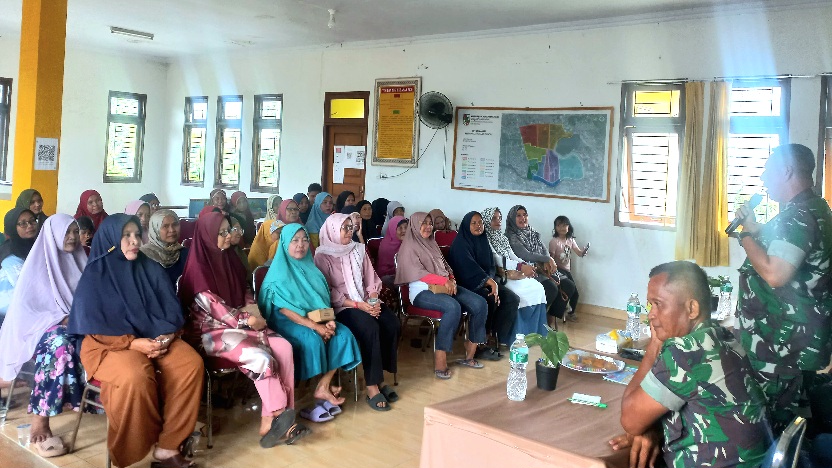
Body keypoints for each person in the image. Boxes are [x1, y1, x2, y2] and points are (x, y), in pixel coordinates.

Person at [67, 214, 203, 468]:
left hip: (154, 338)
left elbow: (170, 310)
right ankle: (133, 449)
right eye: (126, 236)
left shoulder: (149, 267)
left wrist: (167, 336)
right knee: (135, 375)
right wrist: (132, 344)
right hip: (107, 345)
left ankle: (168, 446)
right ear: (111, 240)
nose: (135, 241)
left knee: (190, 364)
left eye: (137, 235)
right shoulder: (95, 275)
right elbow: (95, 329)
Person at [613, 261, 768, 468]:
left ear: (692, 308)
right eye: (650, 305)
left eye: (658, 304)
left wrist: (655, 344)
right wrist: (654, 429)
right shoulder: (722, 337)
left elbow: (631, 420)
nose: (651, 314)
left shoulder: (686, 351)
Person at [178, 211, 310, 447]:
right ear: (208, 236)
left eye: (229, 230)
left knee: (284, 347)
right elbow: (217, 309)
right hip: (210, 333)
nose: (228, 236)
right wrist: (249, 321)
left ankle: (271, 418)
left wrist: (253, 314)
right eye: (221, 233)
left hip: (241, 324)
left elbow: (246, 293)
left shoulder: (230, 259)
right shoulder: (198, 269)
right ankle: (281, 415)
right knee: (260, 357)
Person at [733, 143, 832, 435]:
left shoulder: (798, 216)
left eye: (768, 170)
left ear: (787, 171)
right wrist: (756, 229)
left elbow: (774, 273)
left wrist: (746, 234)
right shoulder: (814, 209)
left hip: (782, 349)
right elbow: (788, 248)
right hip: (798, 341)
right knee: (797, 418)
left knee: (776, 426)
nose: (763, 178)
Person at [0, 215, 86, 457]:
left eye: (75, 231)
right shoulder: (37, 265)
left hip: (79, 323)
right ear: (53, 235)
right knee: (60, 345)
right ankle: (41, 419)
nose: (72, 237)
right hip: (40, 329)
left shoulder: (82, 261)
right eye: (66, 232)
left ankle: (91, 402)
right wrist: (59, 318)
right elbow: (26, 309)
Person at [258, 224, 361, 421]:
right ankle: (317, 395)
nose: (301, 245)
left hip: (316, 318)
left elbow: (321, 302)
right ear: (285, 243)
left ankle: (323, 385)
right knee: (312, 339)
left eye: (305, 240)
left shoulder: (313, 271)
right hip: (286, 320)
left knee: (343, 334)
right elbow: (284, 309)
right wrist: (316, 327)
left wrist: (328, 321)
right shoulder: (278, 274)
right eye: (295, 240)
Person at [314, 214, 401, 411]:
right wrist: (357, 305)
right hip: (342, 307)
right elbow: (327, 290)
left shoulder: (358, 249)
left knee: (391, 323)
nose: (349, 231)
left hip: (365, 301)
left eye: (350, 227)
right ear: (332, 230)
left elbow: (371, 279)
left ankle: (380, 378)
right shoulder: (322, 255)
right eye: (344, 228)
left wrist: (373, 301)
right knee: (370, 328)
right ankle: (372, 386)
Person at [395, 212, 488, 380]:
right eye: (424, 223)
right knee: (452, 307)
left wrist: (451, 279)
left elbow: (445, 266)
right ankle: (440, 358)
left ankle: (470, 349)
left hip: (445, 286)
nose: (428, 227)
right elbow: (418, 273)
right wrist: (444, 281)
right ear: (415, 225)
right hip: (422, 292)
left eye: (430, 223)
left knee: (480, 303)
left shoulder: (432, 242)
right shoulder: (408, 247)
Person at [449, 211, 520, 359]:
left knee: (512, 299)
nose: (478, 226)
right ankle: (480, 342)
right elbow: (467, 268)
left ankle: (495, 336)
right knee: (489, 298)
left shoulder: (483, 240)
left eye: (480, 222)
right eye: (473, 223)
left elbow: (490, 266)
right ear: (466, 225)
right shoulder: (460, 244)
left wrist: (490, 281)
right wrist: (489, 282)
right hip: (465, 284)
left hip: (485, 281)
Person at [480, 207, 548, 341]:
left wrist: (526, 265)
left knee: (538, 287)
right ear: (486, 220)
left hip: (512, 272)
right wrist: (520, 267)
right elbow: (498, 259)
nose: (498, 221)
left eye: (499, 218)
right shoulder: (485, 239)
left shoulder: (502, 237)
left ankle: (534, 333)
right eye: (494, 218)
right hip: (500, 275)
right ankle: (513, 336)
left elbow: (512, 255)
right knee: (519, 293)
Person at [505, 205, 578, 324]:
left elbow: (543, 248)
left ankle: (550, 316)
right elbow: (525, 255)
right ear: (512, 218)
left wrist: (548, 260)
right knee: (551, 288)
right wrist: (547, 259)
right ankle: (536, 319)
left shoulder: (532, 231)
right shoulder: (511, 236)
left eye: (525, 215)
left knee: (569, 286)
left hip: (543, 267)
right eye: (518, 215)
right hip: (528, 270)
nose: (523, 218)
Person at [0, 208, 39, 324]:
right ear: (12, 227)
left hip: (29, 307)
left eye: (32, 221)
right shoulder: (10, 255)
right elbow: (27, 287)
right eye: (23, 223)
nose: (29, 226)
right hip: (11, 315)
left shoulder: (36, 246)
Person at [548, 215, 587, 318]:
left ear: (568, 227)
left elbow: (578, 252)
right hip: (558, 270)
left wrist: (583, 252)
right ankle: (558, 313)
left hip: (567, 270)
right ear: (555, 228)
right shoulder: (554, 241)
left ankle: (571, 313)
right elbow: (550, 259)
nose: (562, 228)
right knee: (569, 288)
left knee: (575, 294)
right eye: (559, 225)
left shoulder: (570, 239)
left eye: (564, 225)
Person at [141, 209, 189, 286]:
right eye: (165, 226)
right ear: (155, 229)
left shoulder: (185, 254)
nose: (172, 230)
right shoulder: (144, 256)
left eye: (175, 224)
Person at [377, 216, 407, 282]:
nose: (404, 231)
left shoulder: (409, 242)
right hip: (389, 275)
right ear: (393, 229)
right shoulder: (386, 246)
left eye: (406, 227)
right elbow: (383, 271)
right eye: (400, 228)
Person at [228, 213, 252, 277]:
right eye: (236, 229)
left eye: (241, 230)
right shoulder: (224, 255)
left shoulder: (238, 250)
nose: (240, 233)